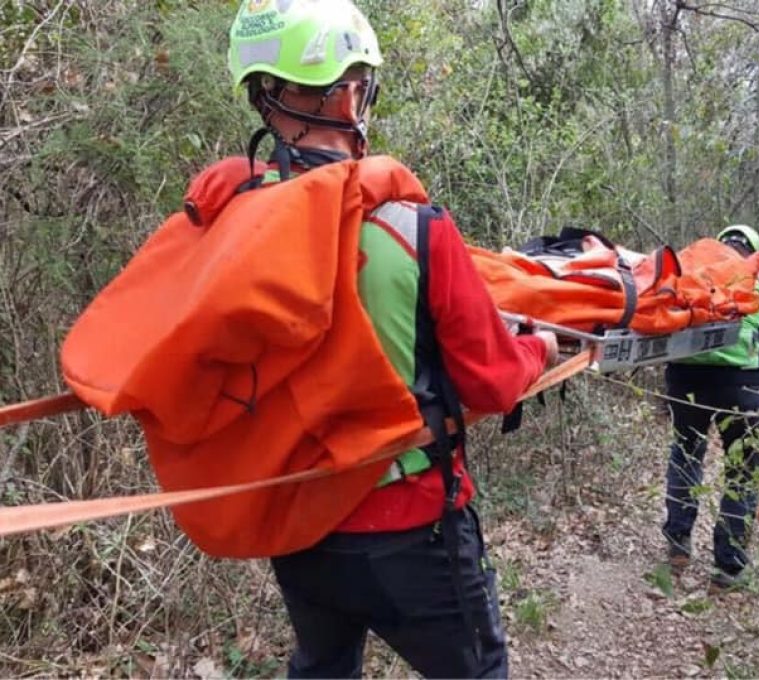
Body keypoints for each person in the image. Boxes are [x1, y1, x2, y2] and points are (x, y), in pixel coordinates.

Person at [226, 1, 559, 677]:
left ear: (263, 95)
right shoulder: (414, 228)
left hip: (298, 523)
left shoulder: (232, 227)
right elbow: (491, 383)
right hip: (415, 531)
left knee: (322, 668)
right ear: (350, 91)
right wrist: (540, 351)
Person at [661, 224, 759, 591]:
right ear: (753, 251)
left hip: (685, 381)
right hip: (743, 386)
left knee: (685, 455)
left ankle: (677, 545)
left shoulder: (693, 275)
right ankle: (727, 569)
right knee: (742, 472)